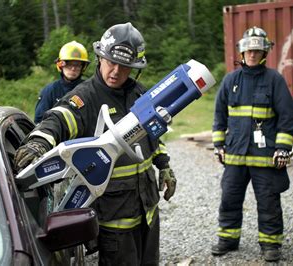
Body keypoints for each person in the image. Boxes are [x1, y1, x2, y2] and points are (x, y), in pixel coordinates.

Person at [14, 22, 176, 265]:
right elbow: (58, 119)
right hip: (114, 217)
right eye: (111, 62)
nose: (116, 72)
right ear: (100, 57)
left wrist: (164, 165)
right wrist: (39, 142)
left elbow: (153, 136)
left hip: (148, 211)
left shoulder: (140, 94)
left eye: (125, 67)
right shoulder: (85, 98)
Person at [211, 26, 293, 262]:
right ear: (242, 52)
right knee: (229, 198)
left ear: (264, 53)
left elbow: (287, 117)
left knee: (268, 202)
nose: (252, 54)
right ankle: (228, 239)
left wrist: (282, 148)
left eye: (257, 51)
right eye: (248, 50)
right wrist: (219, 145)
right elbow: (219, 115)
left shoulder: (274, 80)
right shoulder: (230, 80)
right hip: (235, 156)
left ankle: (270, 244)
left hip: (264, 157)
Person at [34, 41, 90, 123]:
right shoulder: (50, 91)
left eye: (77, 65)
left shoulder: (89, 89)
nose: (73, 68)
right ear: (60, 65)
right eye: (69, 64)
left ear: (83, 67)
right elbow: (39, 121)